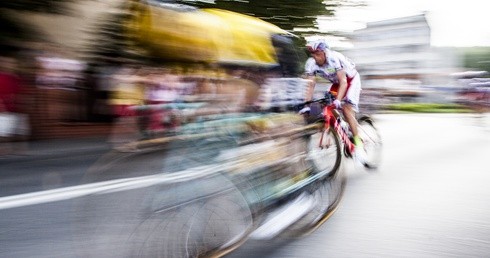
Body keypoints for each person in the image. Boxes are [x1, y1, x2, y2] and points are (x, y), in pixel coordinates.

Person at [302, 39, 367, 164]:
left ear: (324, 52)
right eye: (313, 54)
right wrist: (306, 104)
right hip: (337, 83)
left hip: (350, 80)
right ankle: (339, 124)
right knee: (323, 106)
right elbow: (310, 85)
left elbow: (343, 82)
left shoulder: (334, 58)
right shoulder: (311, 63)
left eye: (318, 54)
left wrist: (338, 100)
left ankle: (358, 146)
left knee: (347, 110)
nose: (315, 57)